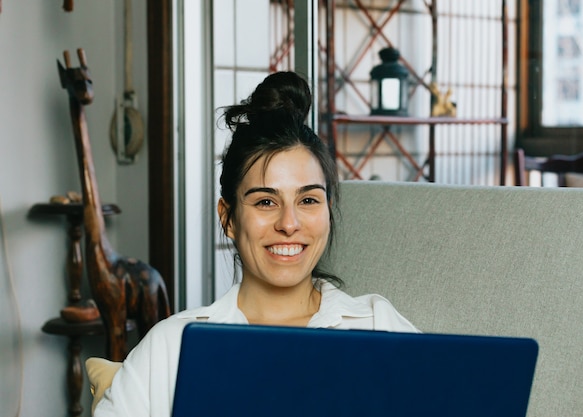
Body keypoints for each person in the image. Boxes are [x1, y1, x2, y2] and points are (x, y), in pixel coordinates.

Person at [94, 71, 418, 417]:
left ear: (328, 210)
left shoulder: (377, 326)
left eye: (308, 200)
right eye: (265, 202)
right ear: (228, 218)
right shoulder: (171, 346)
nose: (289, 224)